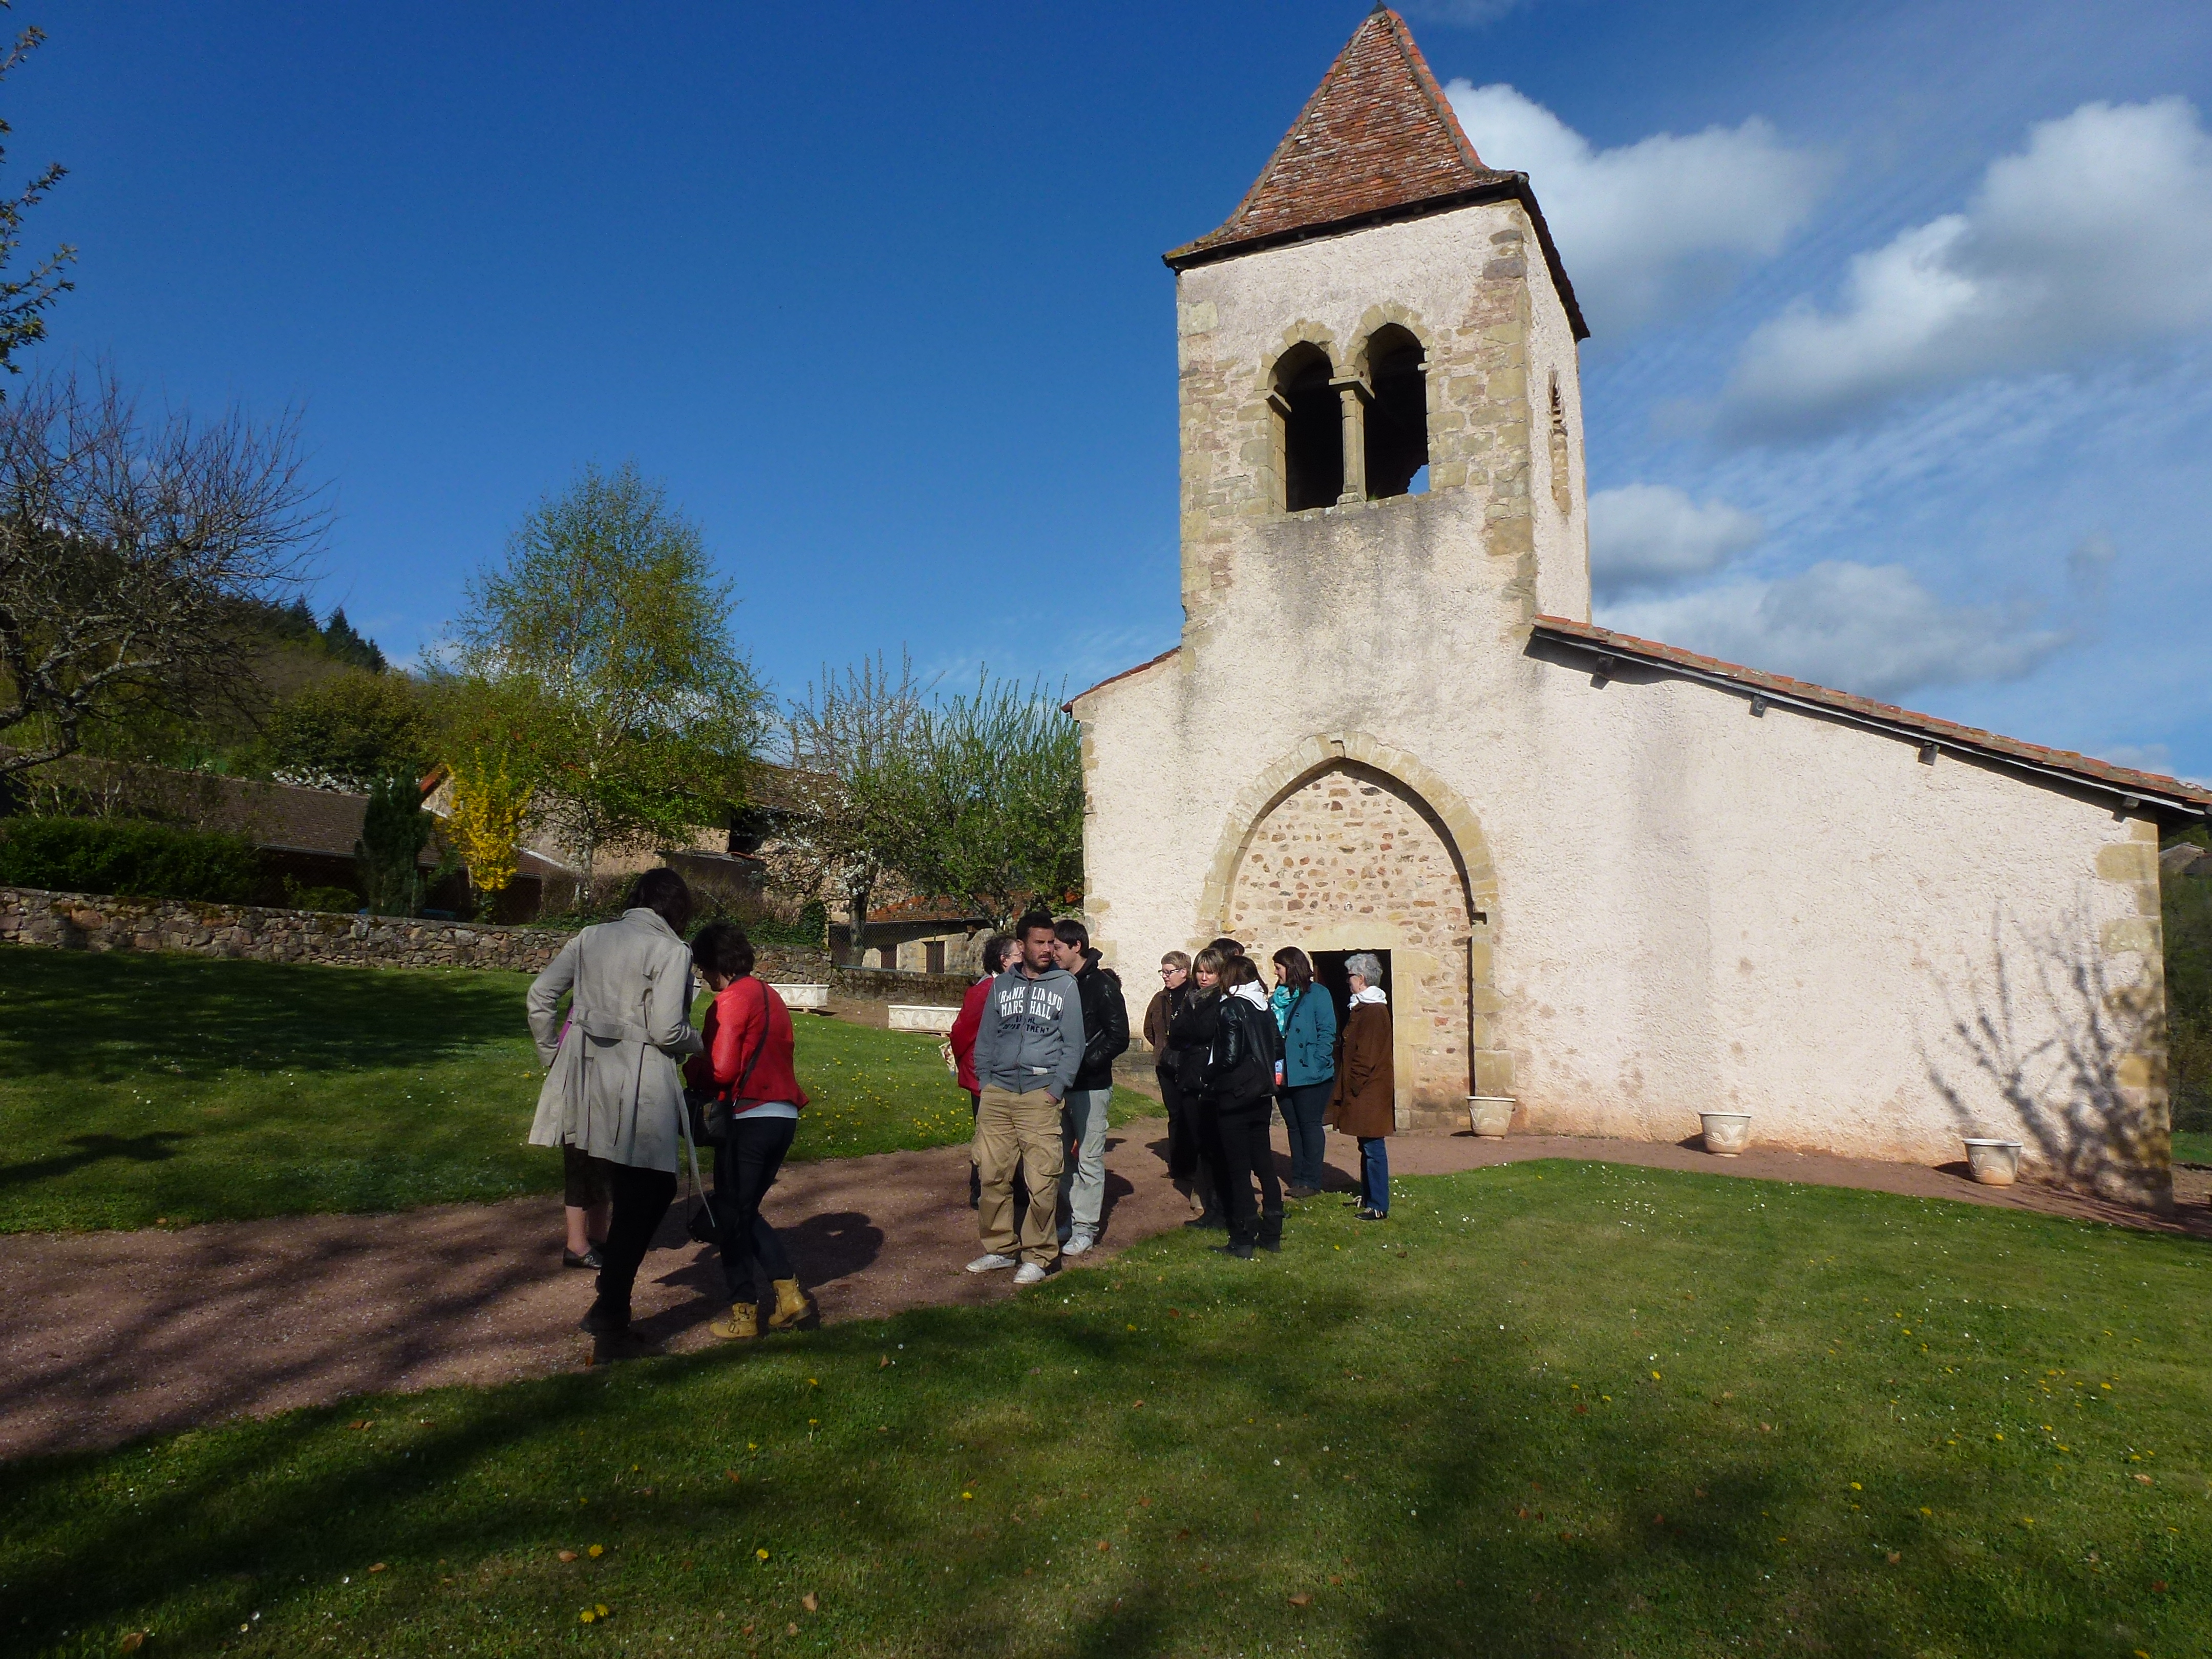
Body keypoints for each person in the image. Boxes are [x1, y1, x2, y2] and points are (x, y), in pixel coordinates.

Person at [527, 867, 703, 1342]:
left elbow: (540, 996)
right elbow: (668, 1030)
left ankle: (611, 1298)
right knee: (653, 1188)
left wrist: (554, 1058)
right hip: (639, 1078)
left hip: (584, 1076)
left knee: (632, 1187)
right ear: (677, 908)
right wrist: (700, 1041)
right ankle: (611, 1306)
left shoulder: (590, 937)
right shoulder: (670, 950)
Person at [685, 922, 810, 1341]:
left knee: (732, 1215)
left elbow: (721, 1068)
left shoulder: (731, 999)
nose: (704, 978)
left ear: (715, 964)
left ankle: (748, 1311)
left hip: (747, 1116)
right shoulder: (770, 995)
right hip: (783, 1116)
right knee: (741, 1211)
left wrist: (691, 1066)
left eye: (704, 969)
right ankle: (786, 1294)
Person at [967, 910, 1086, 1285]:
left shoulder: (1066, 985)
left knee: (1043, 1179)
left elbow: (1074, 1044)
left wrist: (1056, 1089)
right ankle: (999, 1248)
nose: (1048, 949)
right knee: (993, 1175)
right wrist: (986, 1084)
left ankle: (1038, 1255)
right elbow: (986, 1037)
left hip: (1040, 1095)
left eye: (1052, 942)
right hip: (999, 1094)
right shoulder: (1002, 986)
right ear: (1022, 945)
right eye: (1040, 942)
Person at [1053, 918, 1129, 1257]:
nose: (1050, 952)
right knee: (1058, 1157)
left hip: (1090, 1086)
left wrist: (1085, 1063)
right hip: (1057, 1085)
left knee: (1089, 1157)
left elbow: (1119, 1037)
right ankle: (1070, 1217)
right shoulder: (1055, 984)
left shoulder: (1101, 985)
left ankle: (1085, 1228)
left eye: (1056, 946)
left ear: (1076, 947)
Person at [1204, 954, 1283, 1259]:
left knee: (1238, 1170)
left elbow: (1229, 1057)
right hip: (1262, 1094)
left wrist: (1207, 1074)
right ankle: (1272, 1232)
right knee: (1264, 1164)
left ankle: (1242, 1237)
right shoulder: (1262, 1006)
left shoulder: (1231, 1007)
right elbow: (1276, 1046)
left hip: (1236, 1095)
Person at [949, 934, 1016, 1208]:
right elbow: (962, 1031)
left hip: (1010, 1074)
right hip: (984, 1074)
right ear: (1004, 961)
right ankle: (980, 1190)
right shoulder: (986, 990)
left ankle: (1012, 1188)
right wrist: (965, 1060)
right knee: (988, 1135)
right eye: (1018, 957)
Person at [1327, 952, 1394, 1220]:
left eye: (1350, 977)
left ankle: (1378, 1204)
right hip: (1365, 1091)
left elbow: (1365, 1056)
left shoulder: (1374, 1011)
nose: (1348, 982)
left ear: (1362, 978)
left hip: (1369, 1092)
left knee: (1373, 1148)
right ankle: (1368, 1197)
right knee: (1366, 1145)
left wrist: (1353, 1086)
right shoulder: (1364, 1007)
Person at [1167, 947, 1228, 1230]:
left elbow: (1205, 1031)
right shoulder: (1190, 998)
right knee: (1199, 1141)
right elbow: (1176, 1033)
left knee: (1214, 1144)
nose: (1203, 978)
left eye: (1209, 973)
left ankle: (1218, 1204)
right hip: (1190, 1074)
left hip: (1209, 1075)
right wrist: (1189, 1028)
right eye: (1200, 972)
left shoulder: (1221, 1000)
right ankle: (1207, 1201)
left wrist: (1190, 1027)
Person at [1270, 947, 1337, 1199]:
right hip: (1283, 1072)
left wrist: (1318, 1063)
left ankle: (1311, 1180)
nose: (1276, 973)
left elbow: (1327, 1031)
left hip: (1311, 1073)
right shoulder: (1276, 998)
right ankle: (1298, 1177)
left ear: (1292, 966)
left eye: (1279, 968)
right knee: (1294, 1127)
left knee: (1309, 1126)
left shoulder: (1318, 994)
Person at [1143, 951, 1202, 1213]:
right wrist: (1163, 1050)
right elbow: (1148, 1028)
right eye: (1163, 972)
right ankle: (1178, 1165)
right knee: (1175, 1114)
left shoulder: (1195, 997)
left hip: (1189, 1065)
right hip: (1166, 1064)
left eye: (1169, 971)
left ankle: (1193, 1166)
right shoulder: (1160, 999)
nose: (1165, 976)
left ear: (1184, 972)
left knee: (1192, 1114)